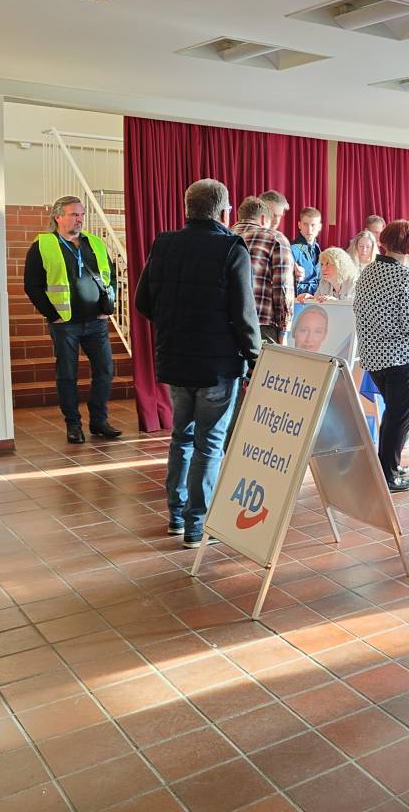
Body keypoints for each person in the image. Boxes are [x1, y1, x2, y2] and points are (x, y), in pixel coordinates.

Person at [134, 179, 260, 547]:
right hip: (217, 366)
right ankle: (197, 525)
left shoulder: (164, 243)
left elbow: (142, 302)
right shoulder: (231, 248)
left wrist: (176, 322)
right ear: (224, 212)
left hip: (175, 359)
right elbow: (244, 315)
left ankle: (176, 516)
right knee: (210, 444)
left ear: (188, 209)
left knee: (182, 437)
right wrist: (254, 357)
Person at [355, 220, 409, 493]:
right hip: (404, 358)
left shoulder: (368, 272)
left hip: (375, 358)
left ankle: (387, 465)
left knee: (393, 416)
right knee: (398, 418)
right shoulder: (405, 277)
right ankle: (389, 475)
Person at [23, 195, 121, 444]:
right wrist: (52, 314)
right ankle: (73, 425)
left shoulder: (95, 242)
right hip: (65, 324)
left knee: (105, 370)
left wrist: (109, 307)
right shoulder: (43, 245)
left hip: (96, 321)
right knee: (67, 375)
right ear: (58, 217)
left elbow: (111, 276)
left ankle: (99, 421)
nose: (79, 219)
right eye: (74, 214)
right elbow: (32, 285)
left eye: (82, 214)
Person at [232, 196, 294, 345]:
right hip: (261, 325)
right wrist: (283, 331)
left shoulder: (222, 237)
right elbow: (283, 288)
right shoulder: (275, 238)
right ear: (263, 218)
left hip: (224, 326)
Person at [292, 207, 323, 298]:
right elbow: (289, 286)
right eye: (305, 224)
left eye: (313, 225)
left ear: (319, 227)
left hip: (320, 301)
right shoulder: (291, 250)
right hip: (299, 302)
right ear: (299, 225)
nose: (309, 229)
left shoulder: (317, 248)